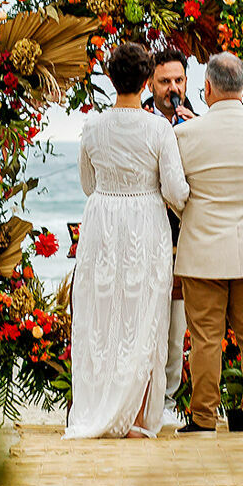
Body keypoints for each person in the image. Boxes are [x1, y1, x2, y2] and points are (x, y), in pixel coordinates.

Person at [65, 43, 189, 439]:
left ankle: (98, 405)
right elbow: (175, 189)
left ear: (110, 77)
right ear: (147, 80)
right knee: (144, 316)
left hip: (103, 223)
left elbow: (87, 184)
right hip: (145, 223)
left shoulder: (92, 127)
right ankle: (135, 417)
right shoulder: (158, 129)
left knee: (102, 316)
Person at [173, 52, 243, 434]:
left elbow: (177, 193)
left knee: (205, 339)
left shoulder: (185, 134)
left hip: (202, 250)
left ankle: (203, 418)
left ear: (206, 89)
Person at [140, 47, 197, 406]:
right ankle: (142, 401)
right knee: (144, 325)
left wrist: (194, 134)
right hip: (145, 235)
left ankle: (169, 399)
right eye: (164, 81)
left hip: (182, 241)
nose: (171, 88)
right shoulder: (137, 117)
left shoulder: (197, 119)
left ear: (187, 81)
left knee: (177, 330)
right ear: (151, 83)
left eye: (178, 80)